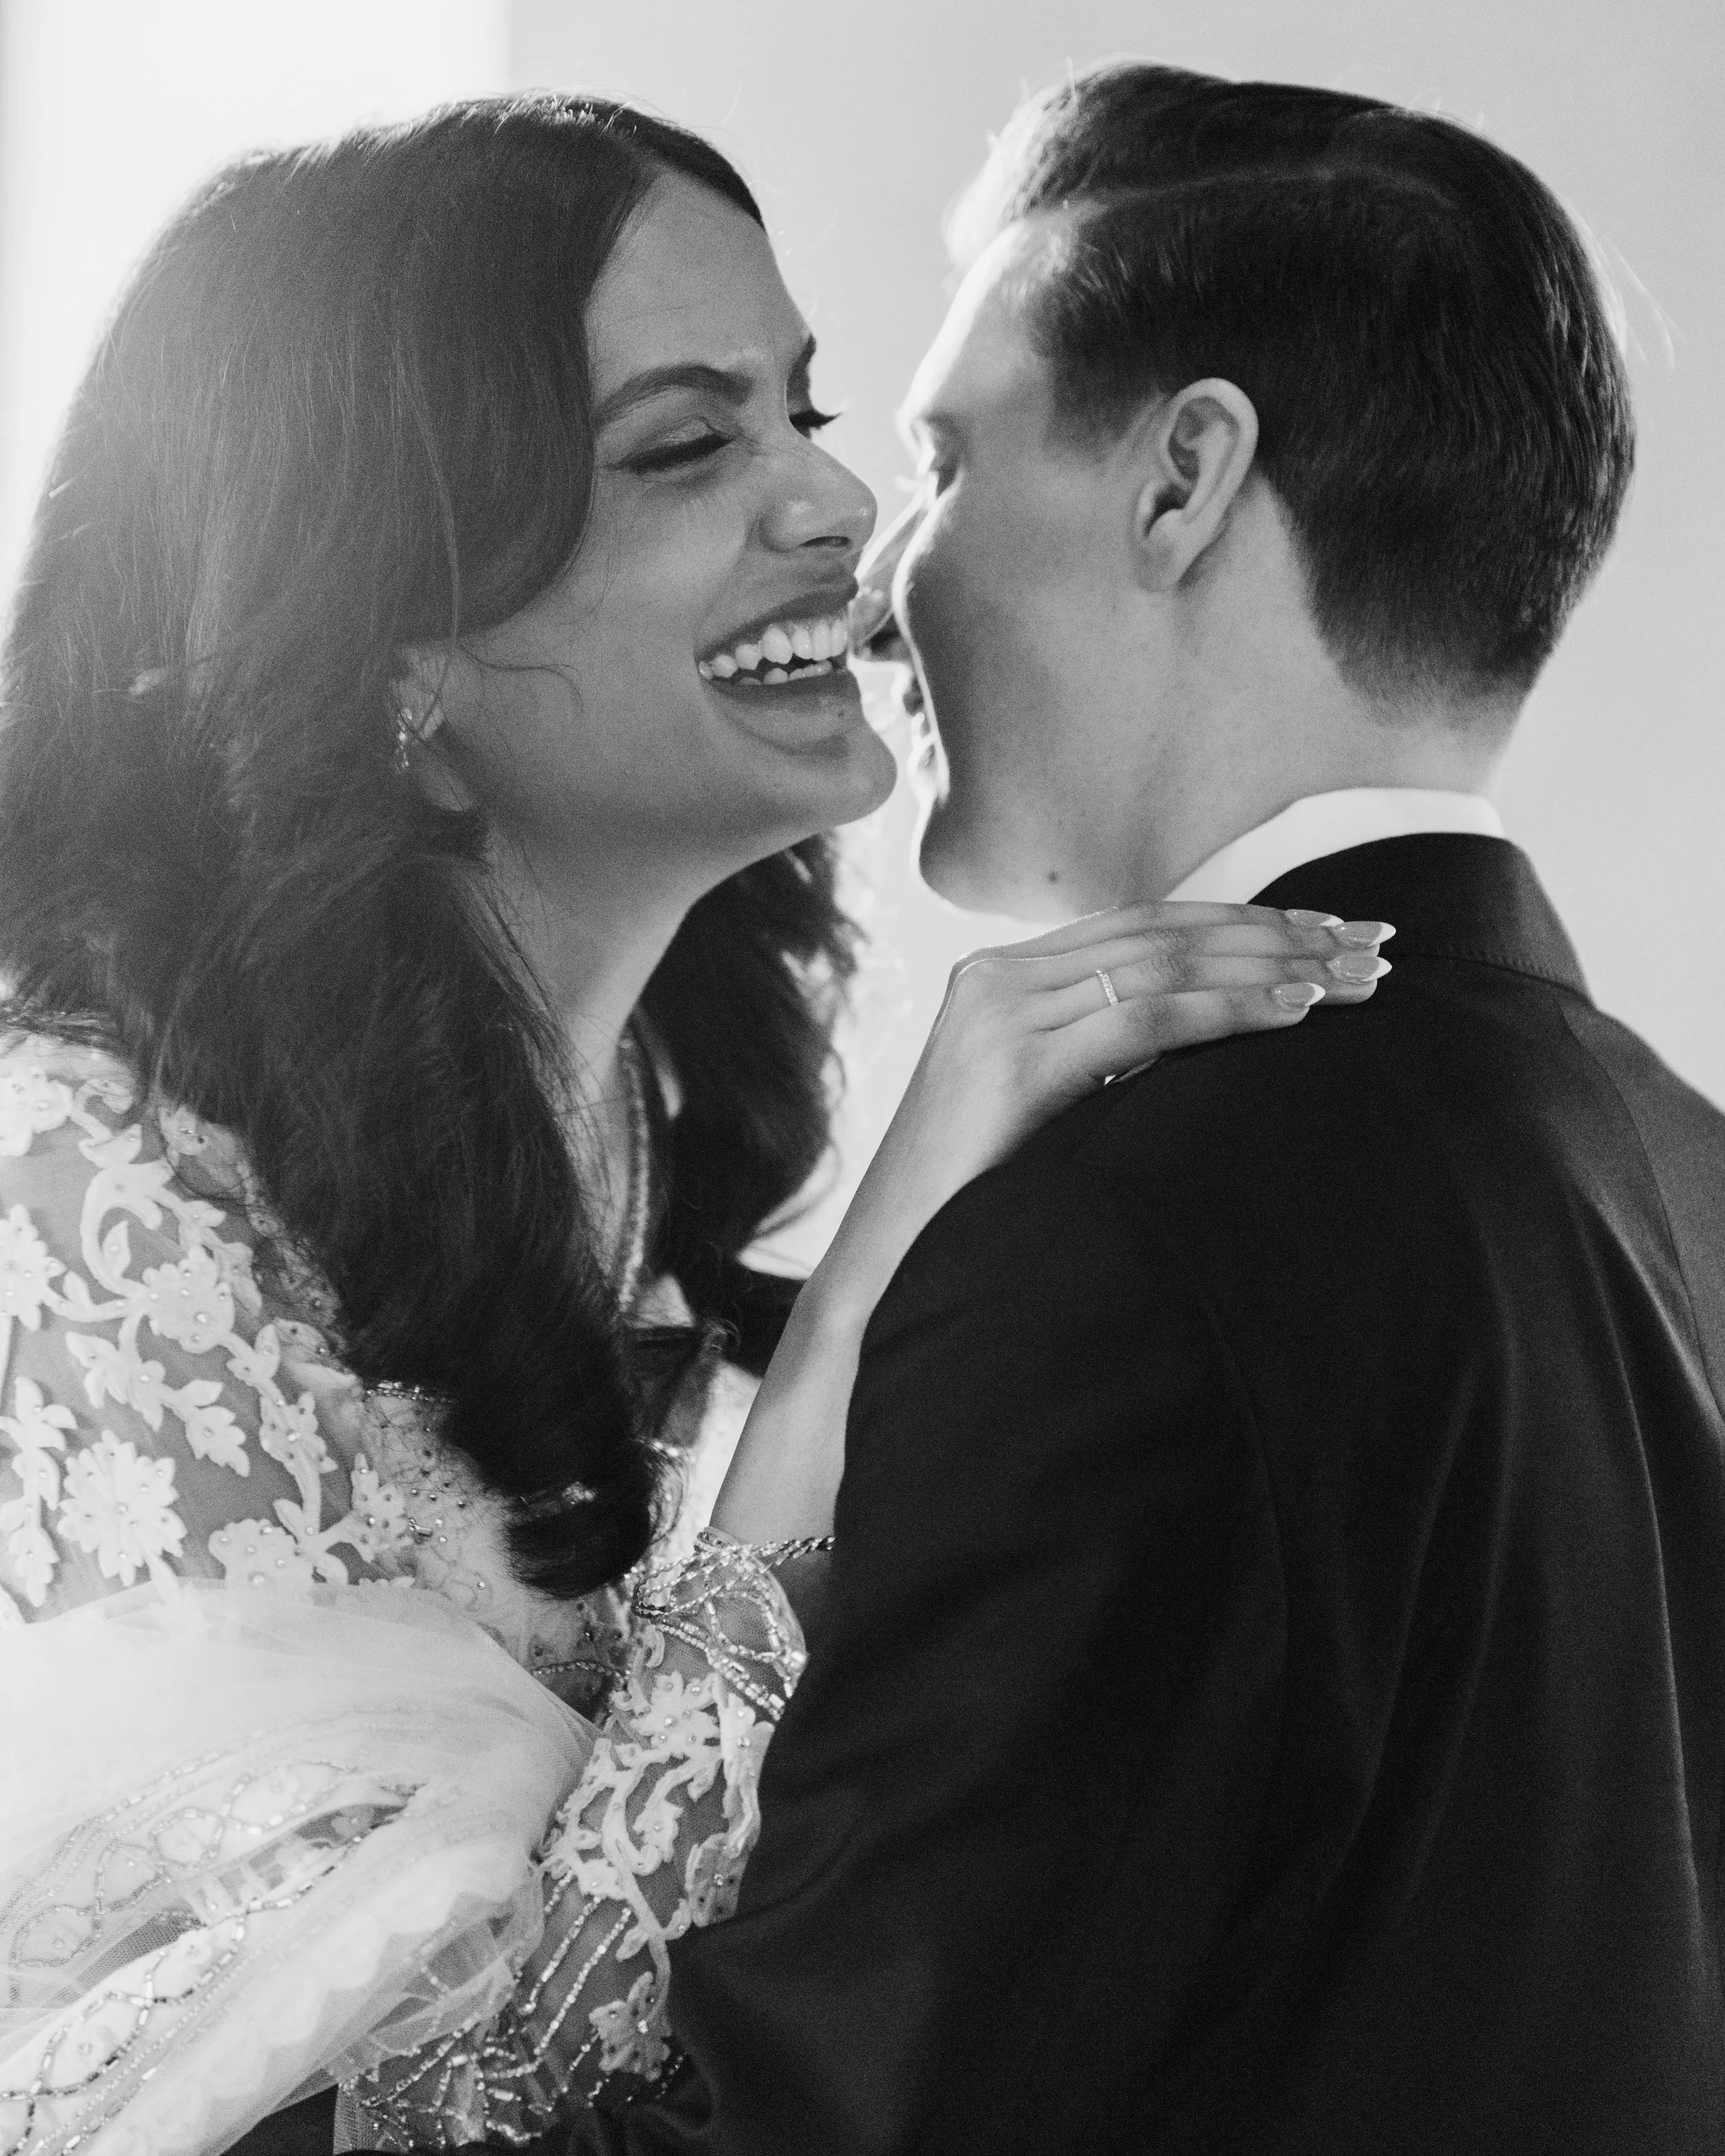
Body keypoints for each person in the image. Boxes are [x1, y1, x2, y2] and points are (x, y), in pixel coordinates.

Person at [0, 92, 1371, 2153]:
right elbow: (439, 2102)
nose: (836, 505)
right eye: (683, 444)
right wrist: (864, 1308)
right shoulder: (74, 1188)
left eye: (802, 409)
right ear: (387, 637)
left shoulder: (636, 1109)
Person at [565, 63, 1725, 2156]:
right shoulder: (1677, 1170)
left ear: (1182, 480)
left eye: (936, 459)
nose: (873, 571)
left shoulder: (1132, 1240)